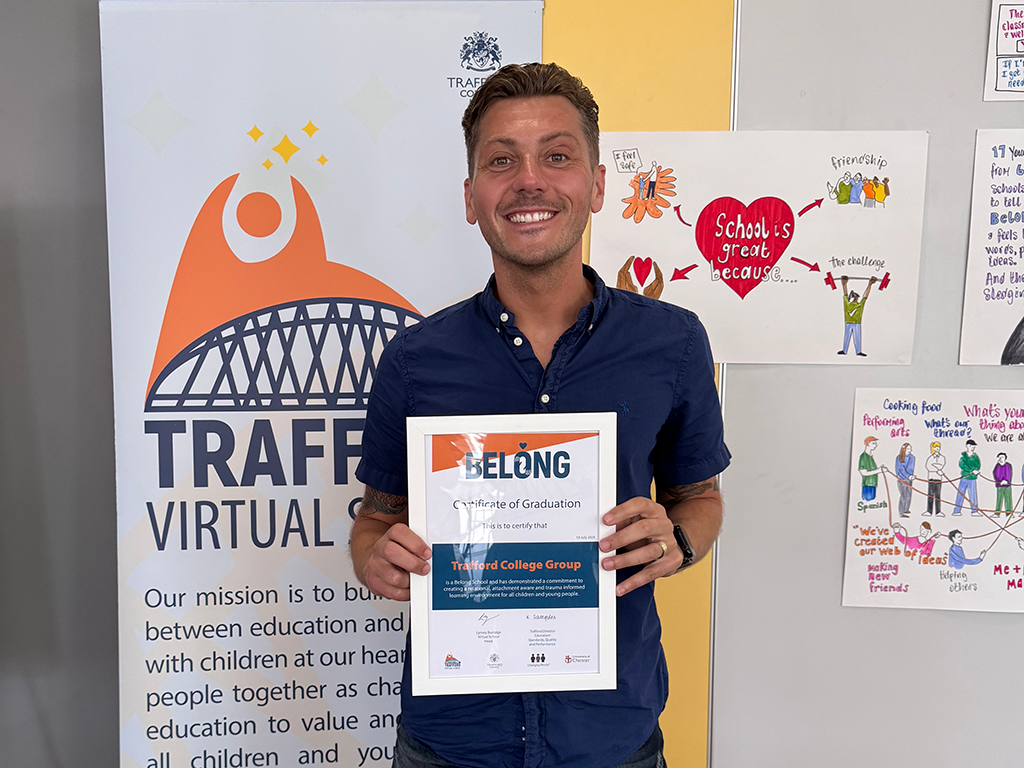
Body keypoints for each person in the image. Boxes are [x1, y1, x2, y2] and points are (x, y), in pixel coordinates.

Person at [348, 63, 730, 768]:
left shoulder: (672, 344)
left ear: (598, 184)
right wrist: (375, 555)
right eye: (502, 160)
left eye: (557, 156)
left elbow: (700, 497)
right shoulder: (414, 361)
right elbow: (375, 519)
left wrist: (678, 540)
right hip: (451, 743)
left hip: (610, 738)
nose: (530, 181)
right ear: (471, 196)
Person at [837, 275, 876, 356]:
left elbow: (865, 296)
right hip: (848, 322)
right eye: (854, 297)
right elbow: (845, 294)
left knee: (857, 337)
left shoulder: (860, 305)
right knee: (847, 336)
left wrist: (870, 284)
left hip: (857, 323)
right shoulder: (847, 304)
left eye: (856, 297)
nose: (855, 298)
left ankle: (858, 351)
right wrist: (844, 284)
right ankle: (844, 350)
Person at [952, 439, 981, 517]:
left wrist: (975, 470)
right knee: (960, 493)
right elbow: (961, 465)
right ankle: (957, 510)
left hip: (972, 478)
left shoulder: (975, 456)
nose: (972, 448)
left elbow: (978, 465)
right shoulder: (963, 456)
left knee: (973, 495)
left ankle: (974, 511)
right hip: (964, 477)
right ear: (967, 446)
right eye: (971, 446)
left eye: (973, 446)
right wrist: (971, 470)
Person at [859, 436, 884, 502]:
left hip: (873, 484)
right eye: (873, 443)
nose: (875, 445)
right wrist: (879, 470)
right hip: (867, 485)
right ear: (867, 444)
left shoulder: (870, 457)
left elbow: (871, 470)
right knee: (867, 501)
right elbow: (863, 473)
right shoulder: (863, 457)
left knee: (872, 500)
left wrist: (880, 469)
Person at [924, 441, 945, 517]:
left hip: (938, 478)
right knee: (930, 495)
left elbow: (941, 465)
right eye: (935, 447)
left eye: (938, 447)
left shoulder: (942, 458)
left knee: (938, 495)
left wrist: (935, 466)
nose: (937, 448)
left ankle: (938, 511)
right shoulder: (930, 458)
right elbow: (928, 466)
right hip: (931, 478)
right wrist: (937, 469)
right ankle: (929, 511)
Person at [894, 442, 915, 517]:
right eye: (908, 449)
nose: (910, 450)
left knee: (908, 495)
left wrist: (911, 476)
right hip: (902, 480)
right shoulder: (899, 458)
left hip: (909, 479)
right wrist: (908, 476)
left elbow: (911, 468)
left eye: (910, 448)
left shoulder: (912, 457)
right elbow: (900, 470)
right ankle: (901, 512)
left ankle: (906, 509)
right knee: (903, 495)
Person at [994, 452, 1013, 516]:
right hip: (999, 485)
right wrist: (999, 481)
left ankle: (1009, 513)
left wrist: (1006, 480)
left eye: (1002, 457)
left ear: (1005, 458)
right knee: (999, 499)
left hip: (1007, 485)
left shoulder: (1008, 465)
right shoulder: (997, 466)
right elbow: (996, 474)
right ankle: (997, 513)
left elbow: (1009, 473)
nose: (1001, 458)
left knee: (1008, 499)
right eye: (999, 457)